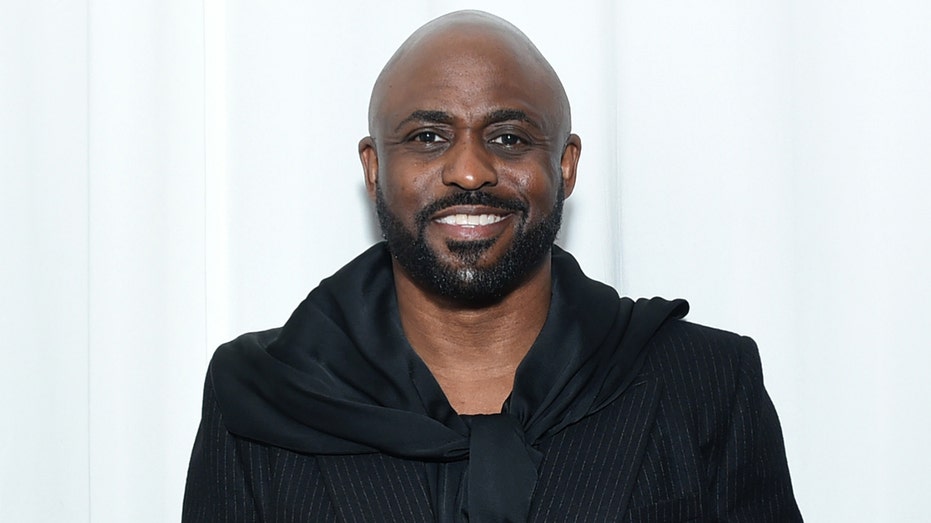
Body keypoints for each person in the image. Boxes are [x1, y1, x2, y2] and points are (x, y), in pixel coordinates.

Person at [182, 10, 801, 522]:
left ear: (565, 165)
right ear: (374, 168)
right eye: (428, 137)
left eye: (508, 138)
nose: (470, 171)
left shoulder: (708, 382)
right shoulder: (260, 394)